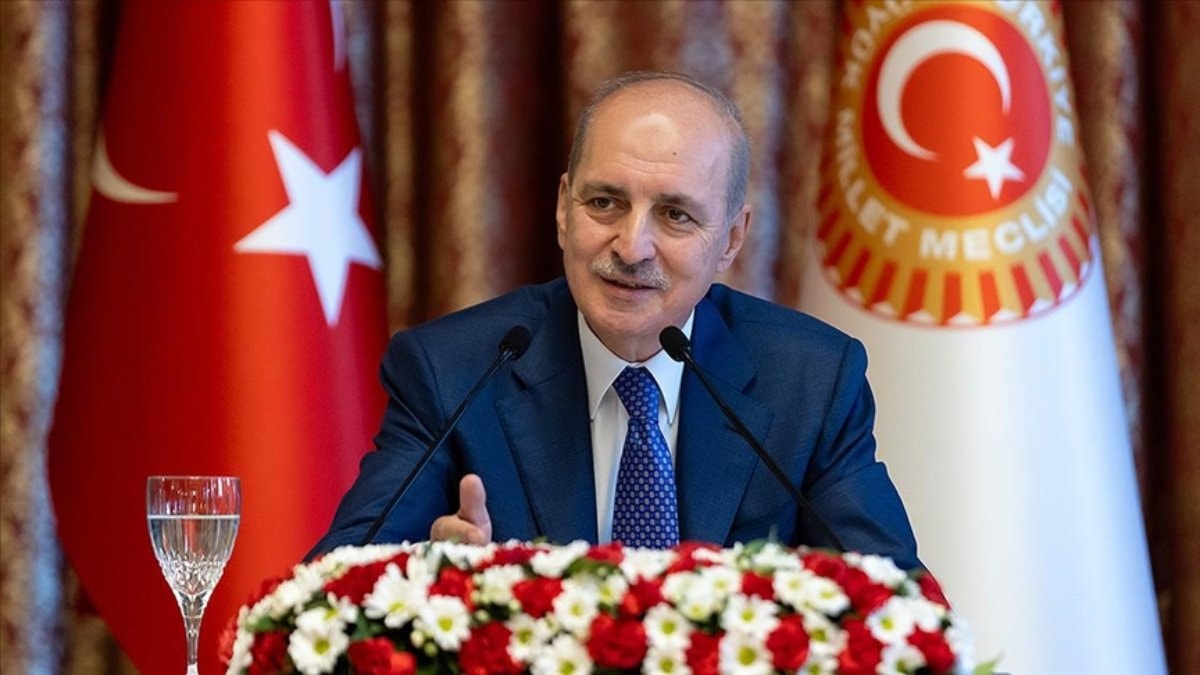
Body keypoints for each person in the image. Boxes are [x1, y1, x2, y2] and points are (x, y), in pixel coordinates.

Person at [311, 71, 921, 569]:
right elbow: (332, 588)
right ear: (563, 209)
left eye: (676, 215)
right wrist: (421, 577)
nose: (632, 247)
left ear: (732, 240)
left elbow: (900, 606)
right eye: (605, 203)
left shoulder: (810, 380)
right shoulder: (454, 371)